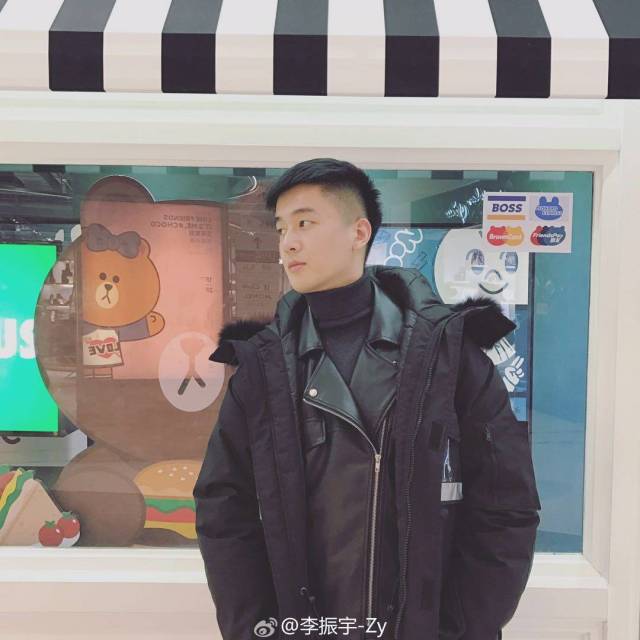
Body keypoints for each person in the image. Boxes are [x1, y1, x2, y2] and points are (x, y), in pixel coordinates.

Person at [194, 158, 541, 640]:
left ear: (359, 232)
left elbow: (506, 507)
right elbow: (223, 510)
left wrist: (460, 628)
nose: (288, 242)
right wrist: (260, 628)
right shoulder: (262, 368)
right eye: (281, 228)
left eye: (305, 223)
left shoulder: (448, 355)